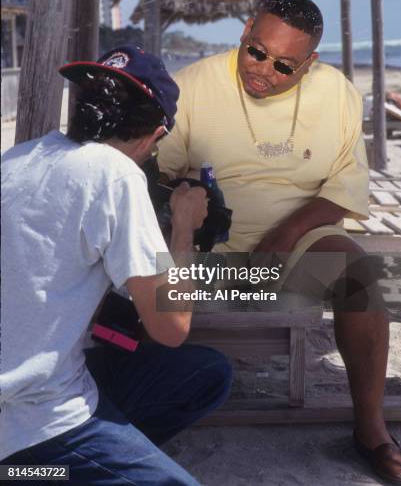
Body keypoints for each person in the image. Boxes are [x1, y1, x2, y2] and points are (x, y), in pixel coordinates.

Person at [157, 0, 401, 484]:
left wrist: (288, 229)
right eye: (255, 51)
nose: (263, 69)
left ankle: (371, 430)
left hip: (298, 250)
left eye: (283, 65)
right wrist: (187, 205)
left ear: (309, 63)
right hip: (212, 255)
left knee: (360, 275)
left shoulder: (336, 92)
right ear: (247, 29)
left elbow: (346, 186)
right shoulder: (193, 85)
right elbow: (153, 176)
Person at [0, 45, 233, 485]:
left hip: (24, 381)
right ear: (155, 134)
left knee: (205, 373)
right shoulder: (115, 175)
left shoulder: (18, 158)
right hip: (31, 419)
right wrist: (183, 230)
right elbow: (170, 327)